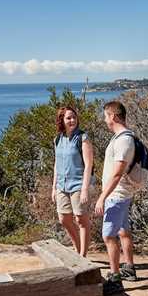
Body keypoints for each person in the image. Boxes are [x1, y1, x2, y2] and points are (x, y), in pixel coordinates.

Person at [94, 100, 139, 295]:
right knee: (123, 231)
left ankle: (115, 278)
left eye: (106, 116)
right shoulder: (124, 137)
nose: (105, 120)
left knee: (108, 236)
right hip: (122, 194)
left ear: (113, 116)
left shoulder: (123, 140)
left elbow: (118, 172)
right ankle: (129, 268)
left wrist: (102, 197)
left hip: (117, 195)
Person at [52, 106, 94, 256]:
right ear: (62, 120)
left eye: (74, 117)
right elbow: (57, 164)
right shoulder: (58, 139)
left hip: (78, 183)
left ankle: (82, 255)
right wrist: (54, 187)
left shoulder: (83, 138)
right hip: (62, 185)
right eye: (68, 118)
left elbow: (89, 164)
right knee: (64, 219)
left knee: (81, 220)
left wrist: (84, 189)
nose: (72, 120)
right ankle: (78, 248)